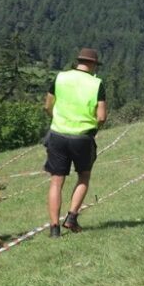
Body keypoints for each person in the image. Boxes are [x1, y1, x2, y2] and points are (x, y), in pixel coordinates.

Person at [44, 47, 107, 237]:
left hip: (58, 134)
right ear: (93, 64)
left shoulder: (60, 77)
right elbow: (102, 116)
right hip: (83, 137)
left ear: (78, 61)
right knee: (84, 176)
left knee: (56, 181)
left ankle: (54, 229)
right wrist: (94, 128)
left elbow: (47, 105)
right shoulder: (97, 84)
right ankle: (71, 218)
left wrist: (56, 119)